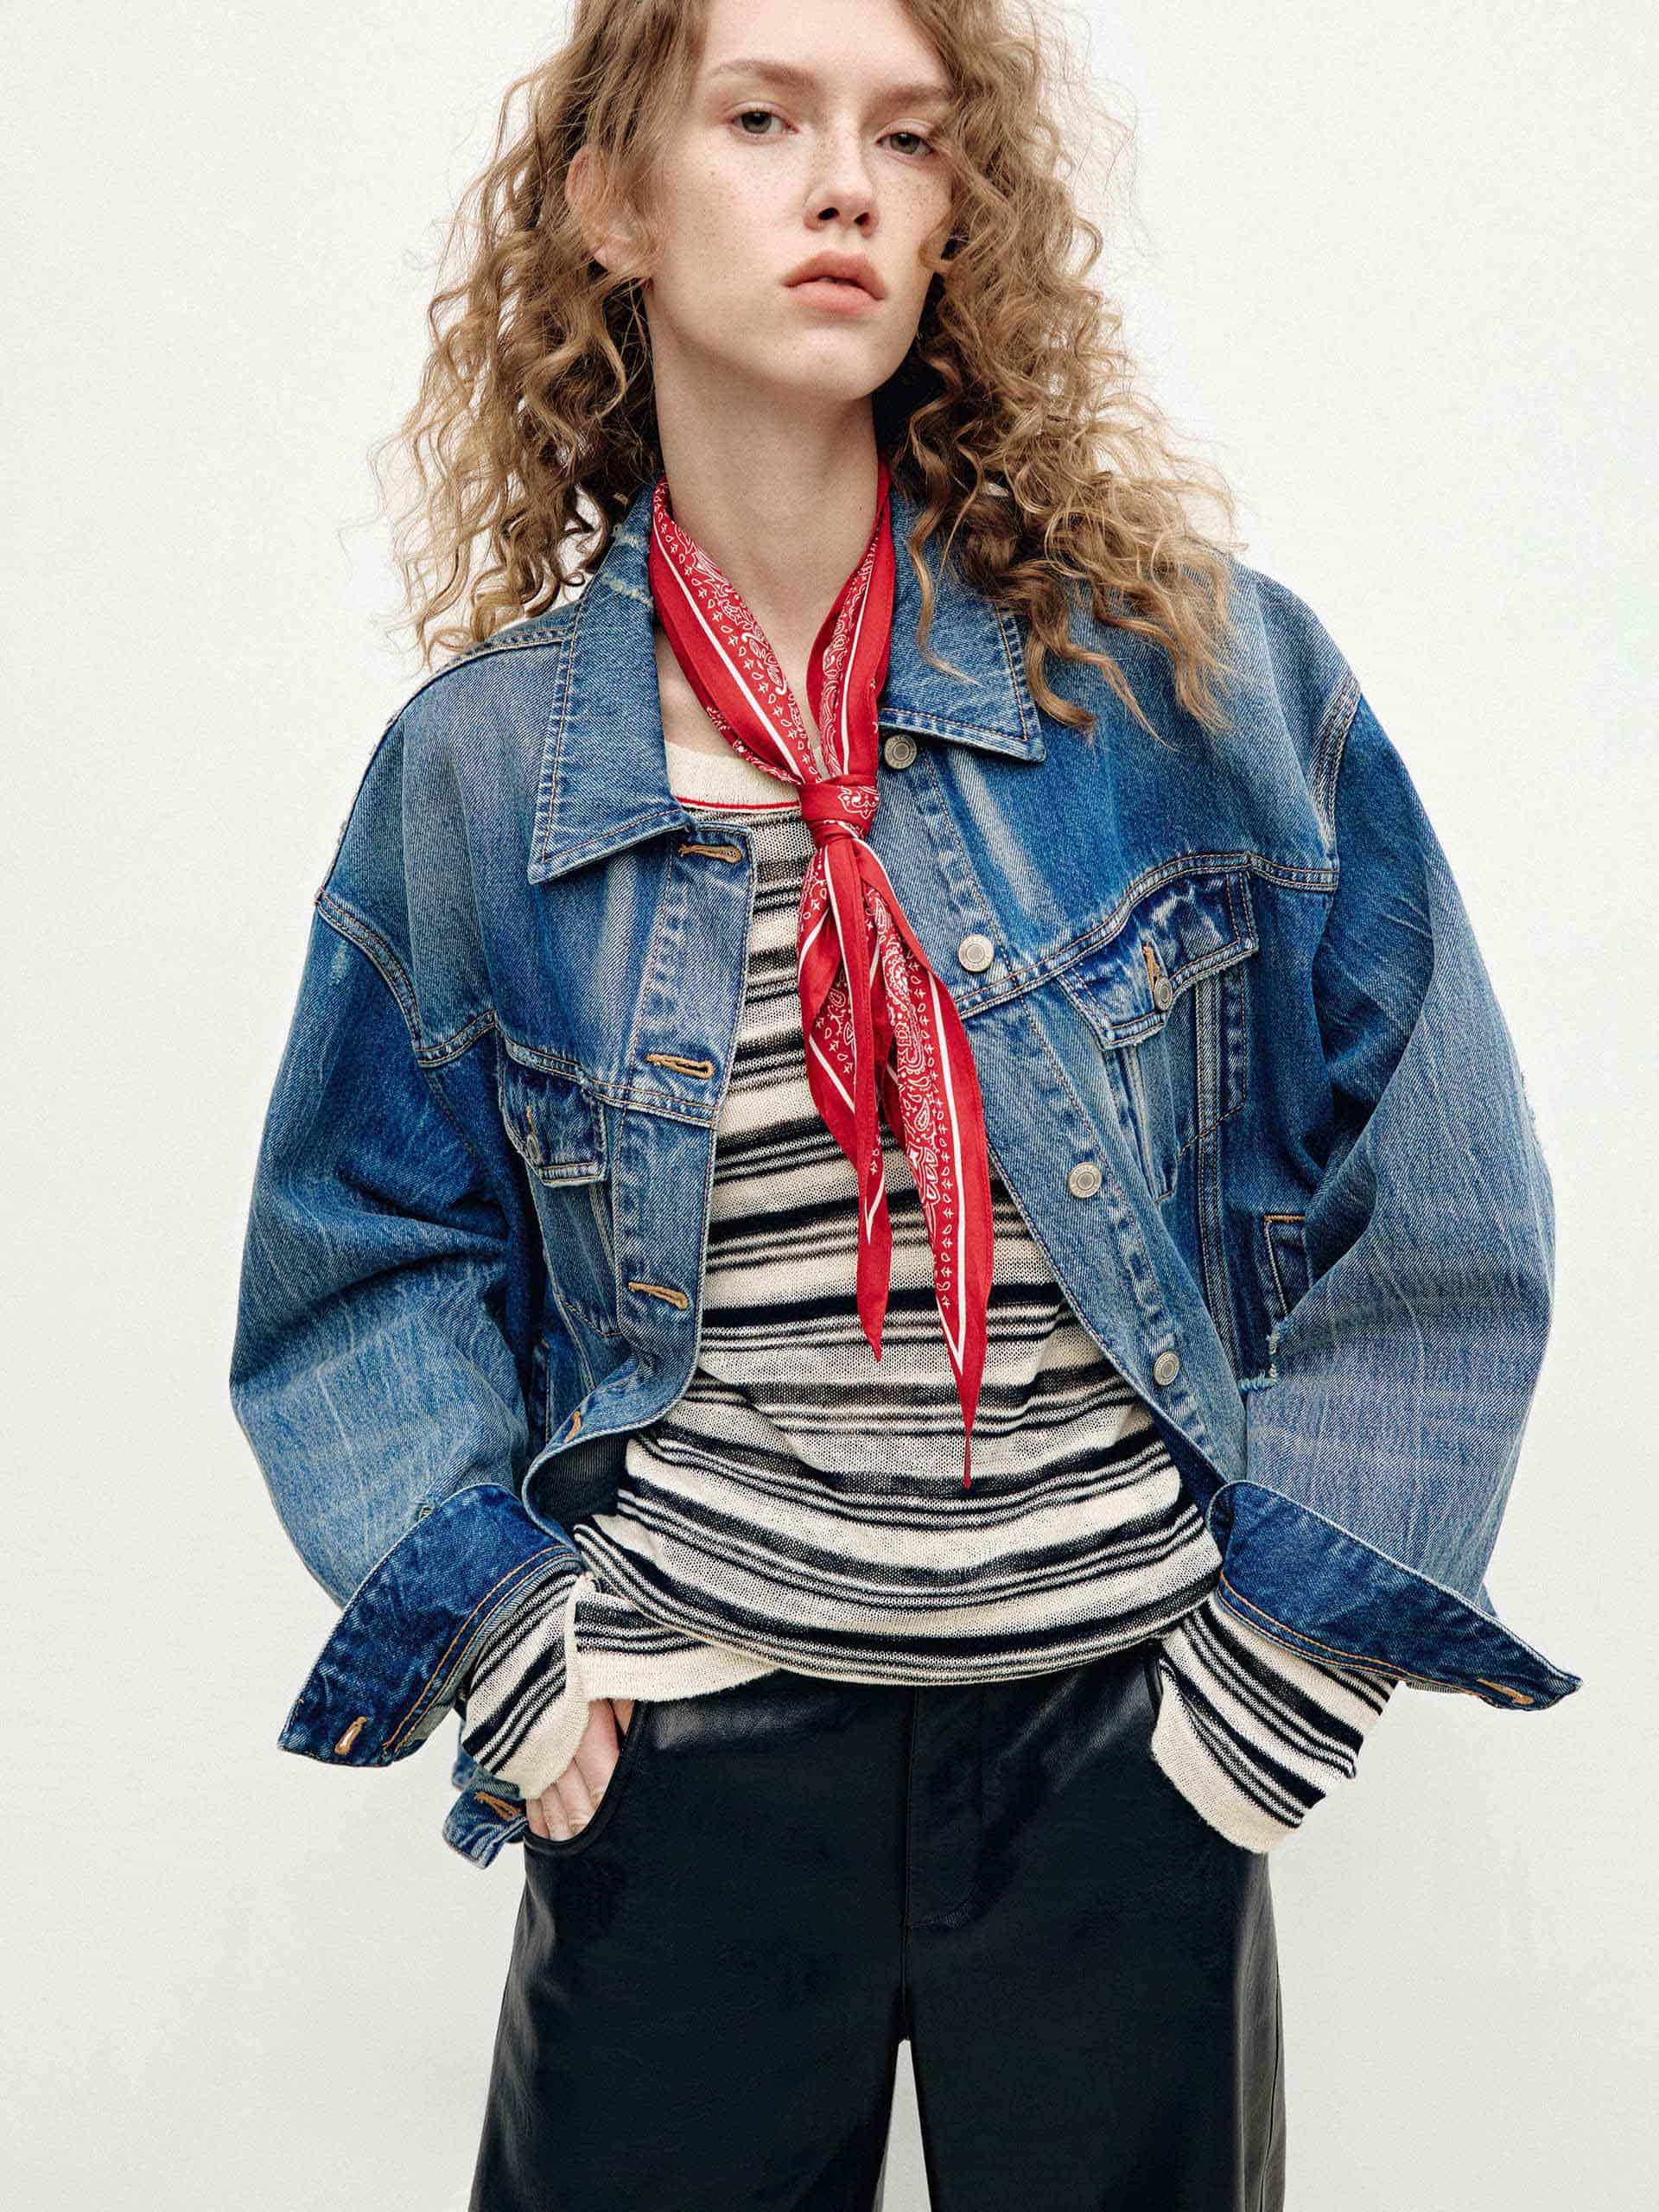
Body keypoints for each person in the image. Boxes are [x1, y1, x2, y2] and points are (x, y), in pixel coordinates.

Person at [228, 2, 1580, 2205]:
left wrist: (1274, 1684)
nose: (846, 184)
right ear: (608, 199)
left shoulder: (1189, 681)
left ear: (964, 214)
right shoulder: (481, 776)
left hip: (1121, 1751)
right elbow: (359, 1259)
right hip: (682, 1745)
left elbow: (1441, 1200)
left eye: (912, 137)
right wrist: (509, 1650)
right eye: (764, 119)